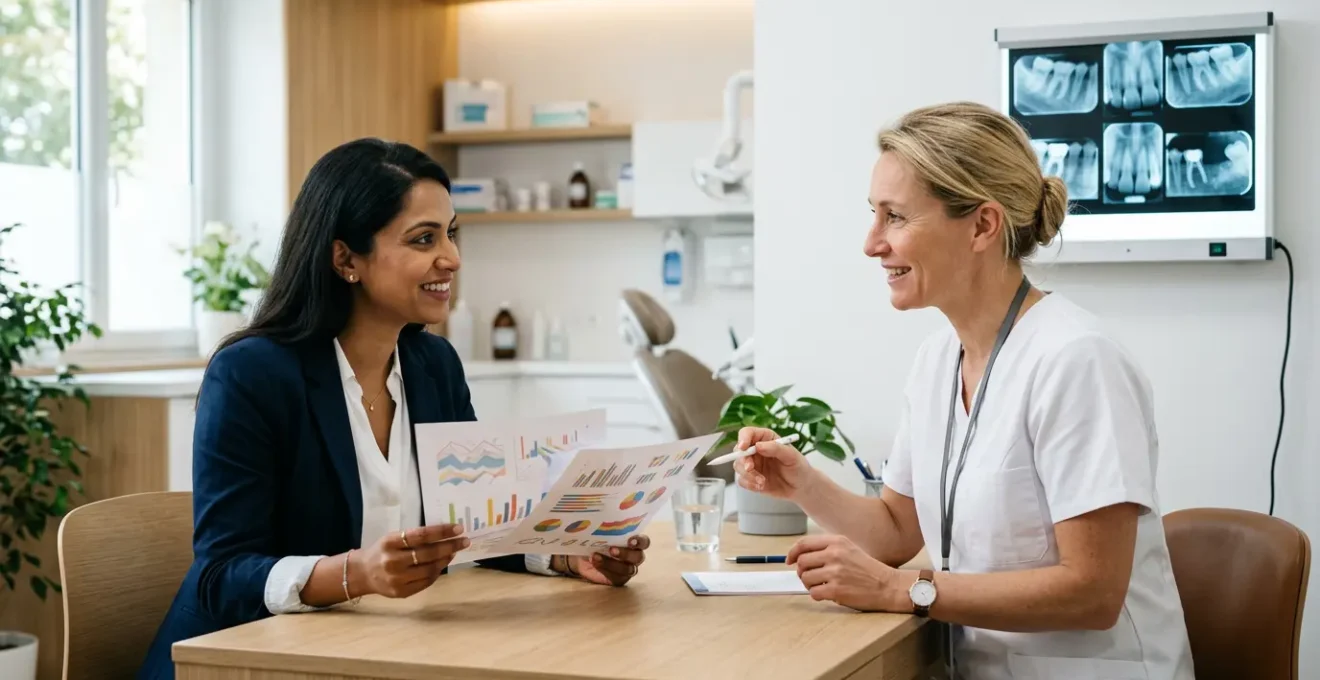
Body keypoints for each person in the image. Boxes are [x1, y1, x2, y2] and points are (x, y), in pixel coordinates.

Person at [139, 139, 649, 678]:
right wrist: (355, 574)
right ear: (345, 259)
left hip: (373, 653)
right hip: (242, 664)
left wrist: (567, 555)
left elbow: (470, 528)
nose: (451, 258)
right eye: (424, 238)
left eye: (450, 233)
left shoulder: (434, 365)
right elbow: (221, 576)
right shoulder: (252, 374)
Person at [733, 102, 1194, 679]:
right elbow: (896, 531)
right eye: (875, 215)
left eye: (895, 217)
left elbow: (1093, 592)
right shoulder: (936, 361)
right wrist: (802, 483)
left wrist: (903, 590)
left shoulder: (1077, 360)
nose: (872, 244)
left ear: (982, 225)